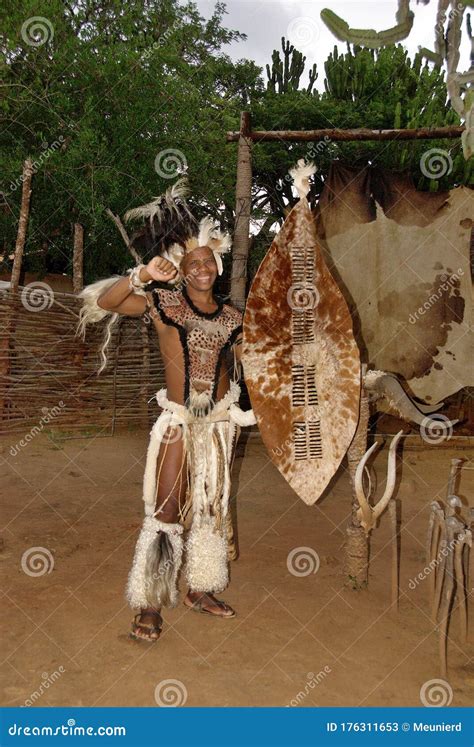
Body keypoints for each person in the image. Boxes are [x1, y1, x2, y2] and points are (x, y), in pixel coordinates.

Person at [76, 179, 255, 642]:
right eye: (191, 263)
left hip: (217, 426)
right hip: (178, 422)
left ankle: (201, 586)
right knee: (167, 508)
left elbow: (253, 362)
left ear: (217, 265)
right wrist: (142, 276)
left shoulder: (234, 317)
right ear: (181, 268)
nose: (201, 268)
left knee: (212, 507)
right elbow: (105, 301)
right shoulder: (163, 303)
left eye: (207, 261)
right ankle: (151, 602)